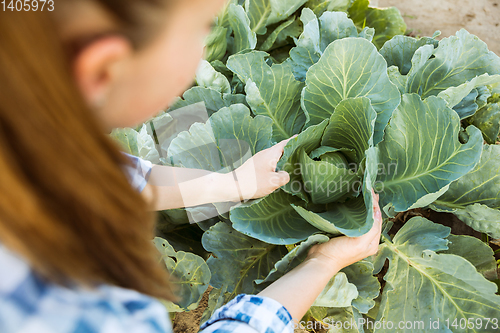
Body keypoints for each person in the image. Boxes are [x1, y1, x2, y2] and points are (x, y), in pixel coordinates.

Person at [0, 0, 383, 332]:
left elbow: (121, 180)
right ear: (104, 67)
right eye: (201, 30)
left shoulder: (32, 140)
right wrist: (322, 262)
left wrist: (233, 184)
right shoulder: (67, 309)